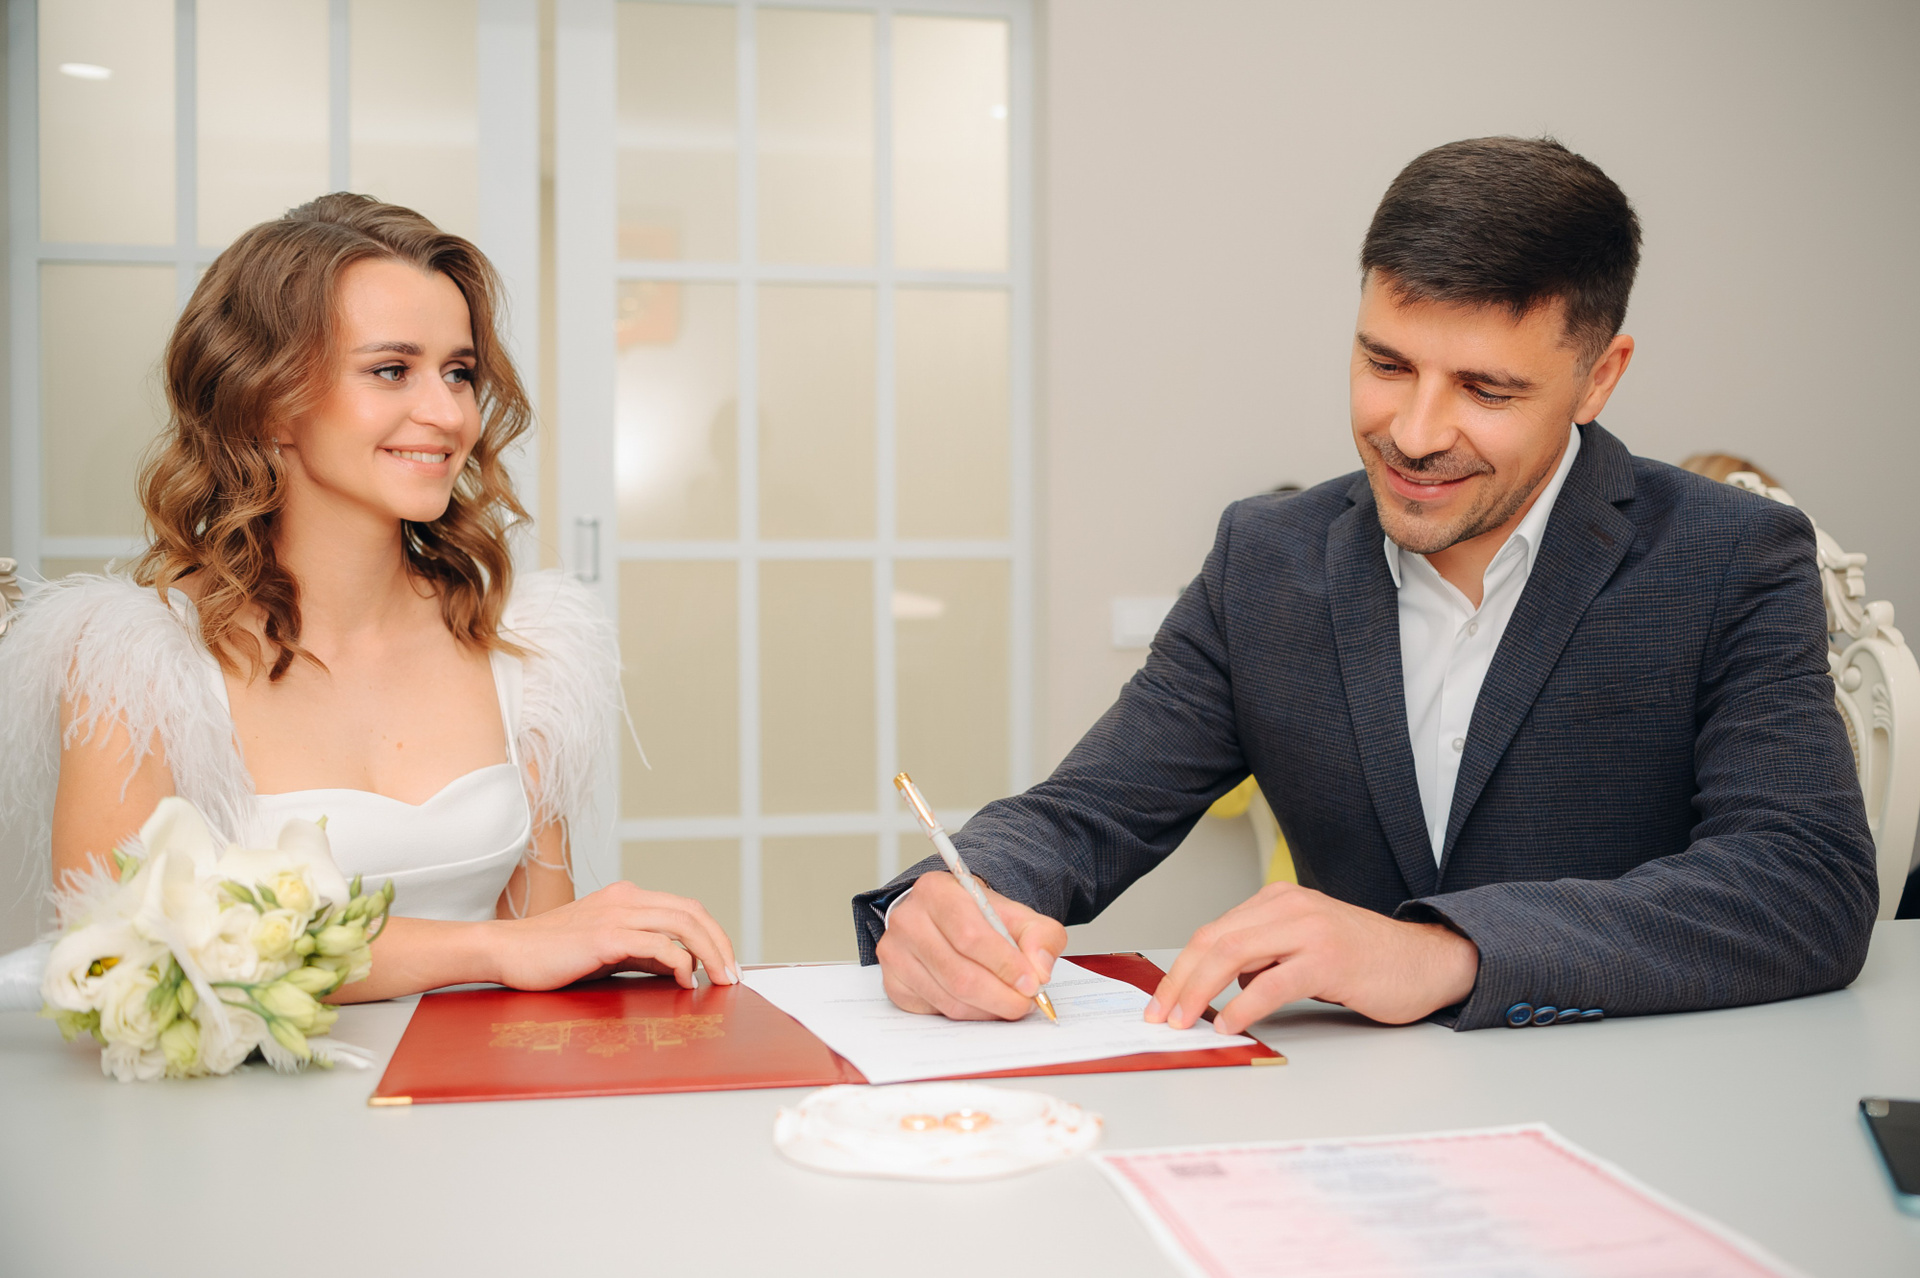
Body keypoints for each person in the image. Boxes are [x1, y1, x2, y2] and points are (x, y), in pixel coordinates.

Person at [856, 137, 1877, 1034]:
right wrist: (947, 899)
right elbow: (1087, 812)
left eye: (1486, 389)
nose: (1415, 434)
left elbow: (1805, 884)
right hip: (1343, 1120)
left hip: (1644, 1114)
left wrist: (1445, 952)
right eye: (1386, 364)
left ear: (1599, 377)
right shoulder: (1265, 558)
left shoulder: (1731, 556)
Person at [0, 194, 737, 1002]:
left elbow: (544, 952)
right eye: (392, 370)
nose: (448, 414)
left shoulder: (522, 648)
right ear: (268, 399)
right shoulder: (133, 662)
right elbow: (109, 955)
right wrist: (488, 949)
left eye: (459, 373)